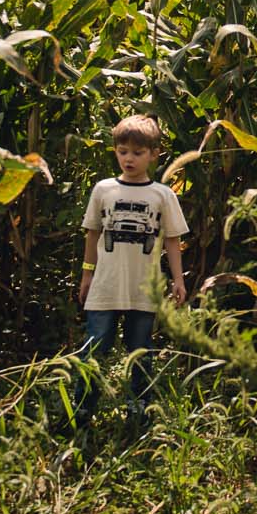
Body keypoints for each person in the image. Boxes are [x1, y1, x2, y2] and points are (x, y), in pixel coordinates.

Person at [73, 114, 189, 429]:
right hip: (106, 286)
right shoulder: (103, 190)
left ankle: (139, 412)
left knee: (142, 353)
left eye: (138, 153)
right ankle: (81, 411)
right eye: (123, 151)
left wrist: (178, 280)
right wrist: (87, 274)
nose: (129, 158)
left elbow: (173, 240)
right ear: (115, 151)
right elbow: (93, 233)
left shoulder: (162, 195)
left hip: (143, 289)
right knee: (93, 349)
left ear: (154, 154)